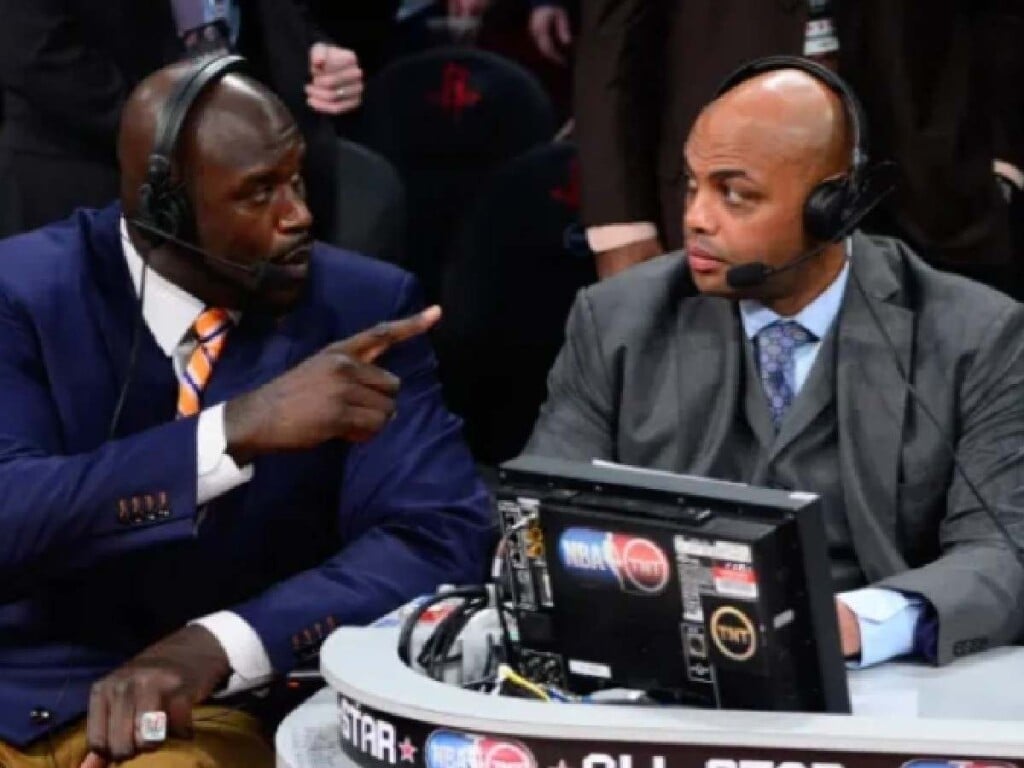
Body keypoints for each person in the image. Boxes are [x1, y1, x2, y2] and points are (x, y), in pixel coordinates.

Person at [0, 56, 492, 768]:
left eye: (296, 178)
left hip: (213, 711)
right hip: (21, 691)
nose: (300, 215)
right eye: (259, 193)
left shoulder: (366, 307)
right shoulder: (21, 291)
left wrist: (223, 643)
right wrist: (232, 432)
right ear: (163, 208)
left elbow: (437, 534)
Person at [526, 58, 1024, 669]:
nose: (695, 219)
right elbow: (538, 519)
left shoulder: (976, 335)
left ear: (834, 208)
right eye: (691, 185)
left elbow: (1001, 552)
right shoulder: (618, 320)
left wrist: (852, 624)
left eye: (736, 194)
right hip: (662, 664)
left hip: (884, 680)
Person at [573, 0, 1024, 296]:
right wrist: (620, 224)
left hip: (932, 184)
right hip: (724, 185)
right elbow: (612, 35)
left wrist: (1005, 160)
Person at [0, 0, 365, 240]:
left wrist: (312, 50)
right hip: (94, 181)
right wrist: (188, 132)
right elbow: (38, 56)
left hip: (255, 181)